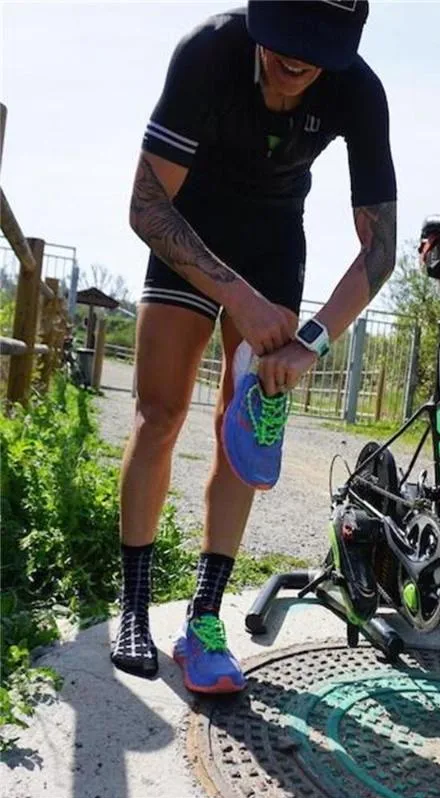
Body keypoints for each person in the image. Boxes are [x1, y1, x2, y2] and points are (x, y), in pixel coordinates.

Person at [111, 0, 396, 694]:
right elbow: (146, 207)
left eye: (318, 45)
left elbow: (381, 250)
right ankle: (135, 605)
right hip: (189, 229)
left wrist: (310, 342)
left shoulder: (359, 88)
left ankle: (203, 619)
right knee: (159, 415)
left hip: (274, 243)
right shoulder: (208, 50)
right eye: (286, 37)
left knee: (242, 426)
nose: (297, 58)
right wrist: (235, 295)